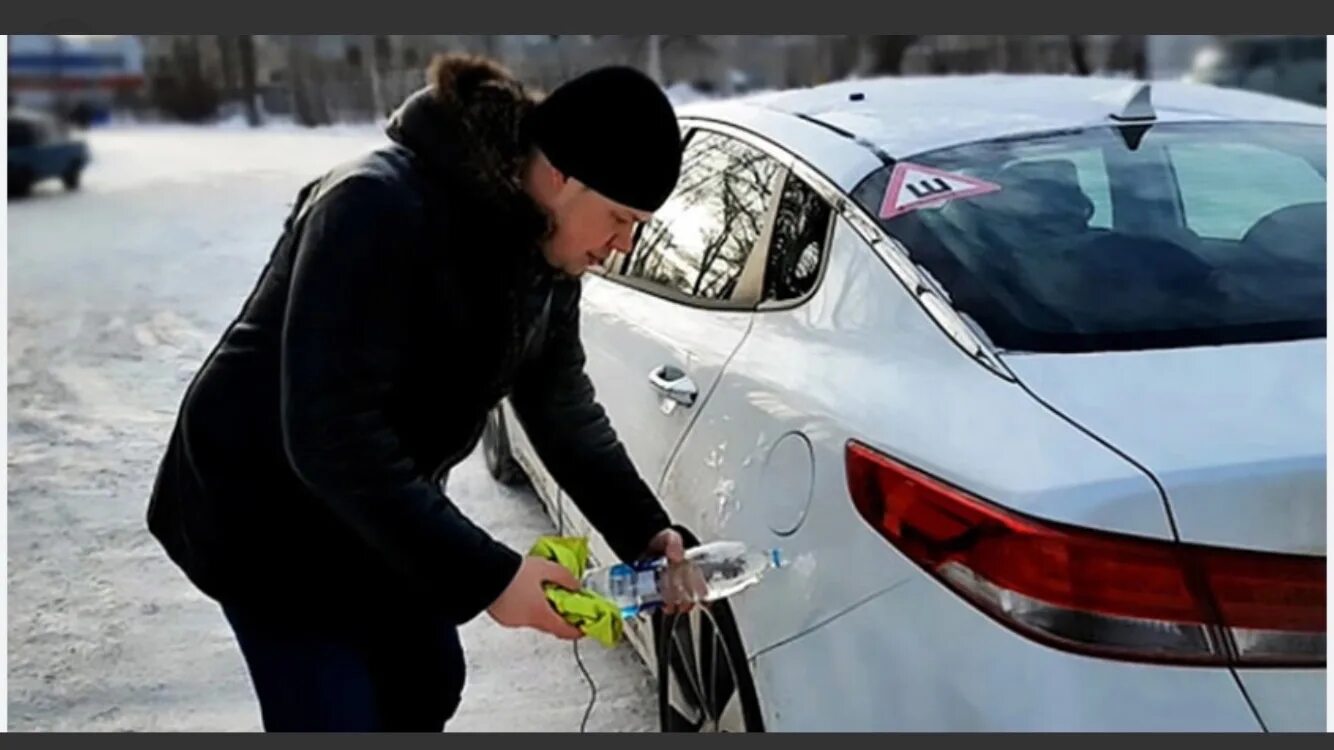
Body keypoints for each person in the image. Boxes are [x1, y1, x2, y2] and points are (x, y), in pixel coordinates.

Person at [146, 54, 689, 732]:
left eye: (637, 224)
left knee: (426, 680)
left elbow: (560, 407)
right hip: (265, 513)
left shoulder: (543, 251)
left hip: (369, 497)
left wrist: (645, 530)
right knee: (334, 713)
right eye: (619, 216)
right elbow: (328, 434)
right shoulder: (377, 207)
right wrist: (493, 578)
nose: (622, 244)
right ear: (558, 173)